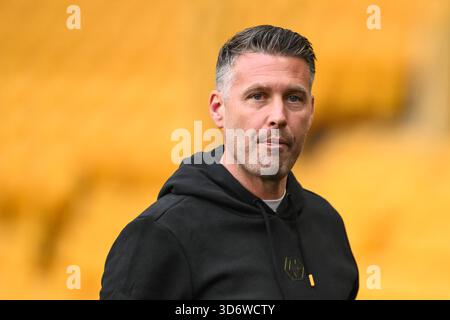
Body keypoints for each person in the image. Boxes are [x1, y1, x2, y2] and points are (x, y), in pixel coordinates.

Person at [100, 25, 359, 300]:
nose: (278, 116)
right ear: (218, 109)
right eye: (257, 96)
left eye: (294, 98)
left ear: (311, 110)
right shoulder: (160, 236)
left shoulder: (326, 224)